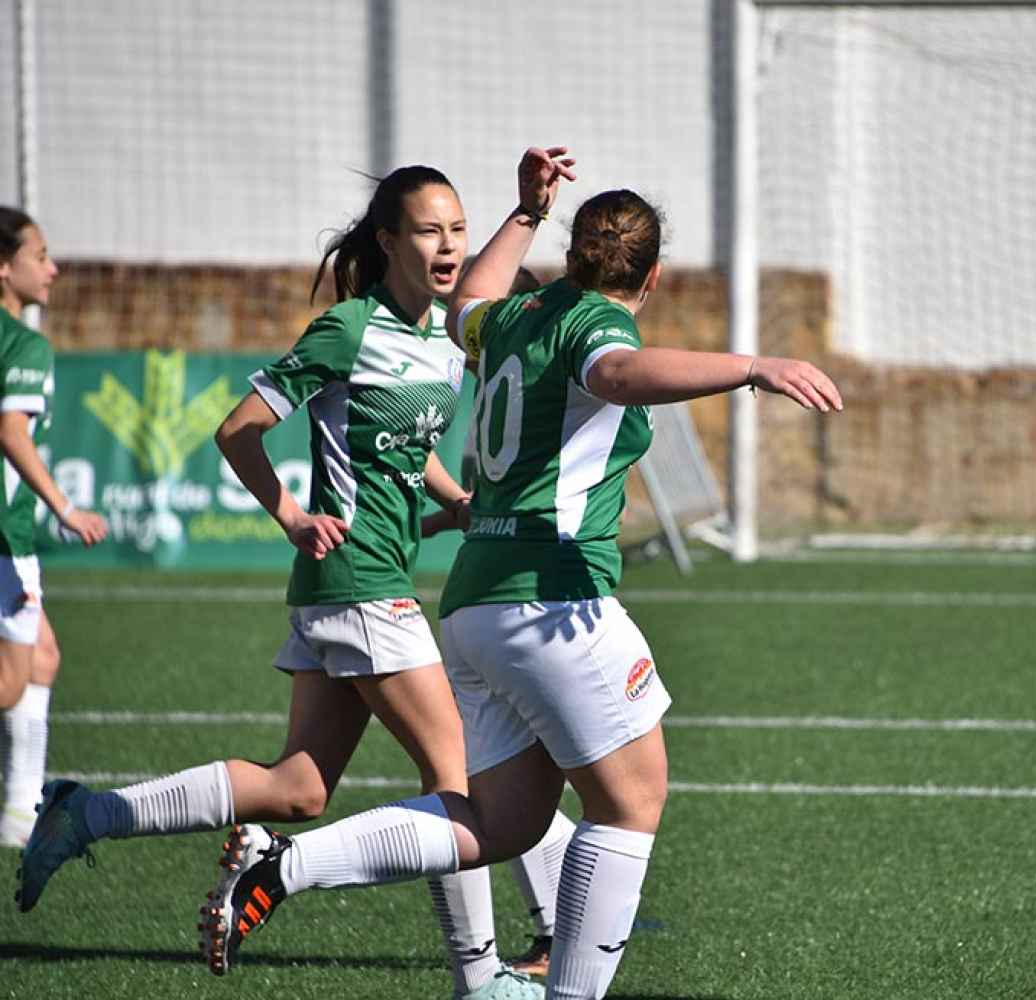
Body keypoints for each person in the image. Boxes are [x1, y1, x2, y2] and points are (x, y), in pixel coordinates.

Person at [196, 181, 842, 1000]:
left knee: (502, 821)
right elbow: (618, 374)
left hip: (476, 603)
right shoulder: (594, 322)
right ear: (652, 277)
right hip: (551, 599)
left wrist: (527, 212)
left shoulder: (509, 318)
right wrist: (754, 367)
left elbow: (470, 298)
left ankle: (285, 865)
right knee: (631, 801)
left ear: (570, 257)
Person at [14, 158, 560, 1000]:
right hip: (355, 581)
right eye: (429, 230)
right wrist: (292, 516)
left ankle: (85, 813)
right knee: (458, 779)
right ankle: (479, 977)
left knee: (297, 788)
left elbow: (406, 450)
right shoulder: (347, 330)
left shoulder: (442, 339)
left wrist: (453, 500)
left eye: (457, 229)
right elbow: (239, 430)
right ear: (389, 242)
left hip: (364, 583)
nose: (449, 245)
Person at [424, 261, 573, 980]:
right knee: (492, 778)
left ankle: (287, 862)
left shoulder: (500, 371)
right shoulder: (510, 373)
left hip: (508, 596)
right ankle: (546, 939)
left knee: (477, 777)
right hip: (523, 596)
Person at [0, 208, 108, 847]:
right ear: (4, 267)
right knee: (10, 681)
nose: (53, 268)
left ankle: (19, 817)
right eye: (39, 256)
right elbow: (12, 432)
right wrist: (66, 510)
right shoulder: (23, 345)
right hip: (5, 537)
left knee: (42, 656)